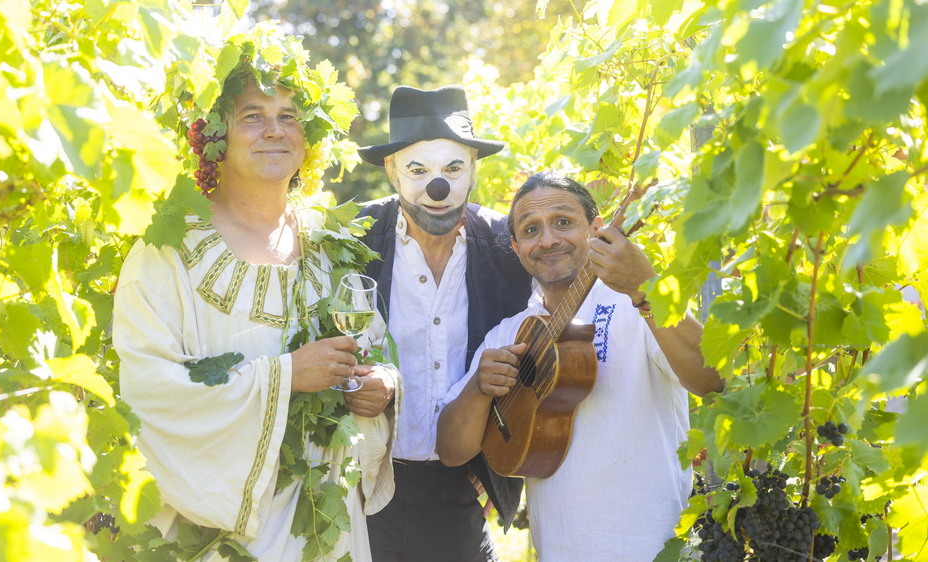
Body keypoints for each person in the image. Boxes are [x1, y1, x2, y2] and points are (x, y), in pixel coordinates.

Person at [113, 33, 399, 561]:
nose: (274, 130)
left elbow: (373, 352)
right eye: (253, 115)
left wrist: (377, 389)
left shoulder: (329, 248)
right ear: (214, 136)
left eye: (289, 116)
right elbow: (147, 394)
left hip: (326, 531)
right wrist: (286, 376)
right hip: (222, 535)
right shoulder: (166, 253)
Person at [437, 172, 724, 561]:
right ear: (517, 247)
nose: (549, 239)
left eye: (563, 222)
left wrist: (646, 289)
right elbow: (452, 450)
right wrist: (478, 390)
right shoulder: (508, 334)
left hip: (655, 549)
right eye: (531, 229)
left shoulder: (636, 303)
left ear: (597, 228)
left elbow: (712, 379)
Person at [356, 85, 534, 560]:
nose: (438, 187)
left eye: (453, 168)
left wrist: (493, 460)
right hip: (365, 484)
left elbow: (537, 341)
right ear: (392, 170)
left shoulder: (506, 246)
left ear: (474, 166)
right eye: (418, 170)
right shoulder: (352, 239)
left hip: (460, 486)